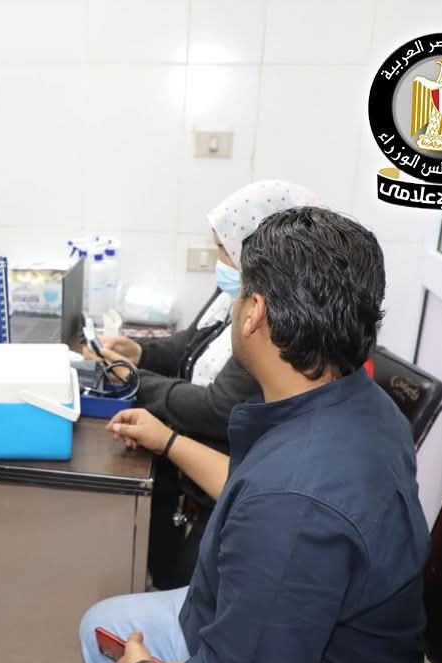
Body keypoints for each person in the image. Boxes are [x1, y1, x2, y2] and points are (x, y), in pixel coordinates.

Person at [79, 206, 430, 663]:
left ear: (254, 313)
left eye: (240, 291)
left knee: (103, 638)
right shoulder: (361, 405)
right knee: (106, 619)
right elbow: (253, 487)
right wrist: (169, 442)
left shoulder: (292, 504)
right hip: (312, 639)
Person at [85, 180, 319, 588]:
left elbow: (218, 407)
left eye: (225, 250)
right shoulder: (238, 291)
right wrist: (140, 352)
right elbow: (193, 344)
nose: (220, 262)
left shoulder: (276, 321)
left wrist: (133, 380)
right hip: (199, 466)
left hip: (222, 482)